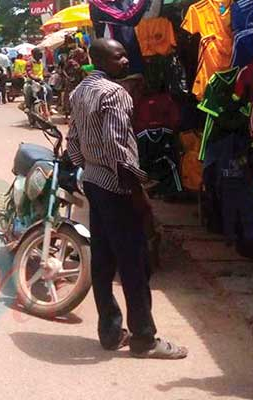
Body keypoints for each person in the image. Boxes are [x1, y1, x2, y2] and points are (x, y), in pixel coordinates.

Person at [66, 38, 187, 359]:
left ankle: (109, 331)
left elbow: (73, 140)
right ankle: (144, 339)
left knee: (104, 262)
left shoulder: (79, 91)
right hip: (118, 188)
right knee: (135, 263)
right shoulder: (115, 94)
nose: (125, 61)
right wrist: (139, 195)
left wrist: (88, 168)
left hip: (93, 181)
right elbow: (120, 149)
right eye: (119, 57)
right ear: (103, 60)